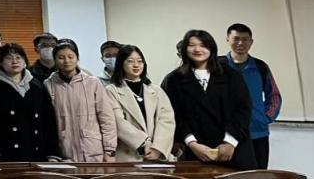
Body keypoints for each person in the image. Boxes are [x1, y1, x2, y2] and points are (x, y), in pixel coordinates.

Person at [162, 29, 255, 170]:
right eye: (192, 45)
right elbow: (174, 116)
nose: (197, 49)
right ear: (184, 48)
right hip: (195, 151)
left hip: (234, 149)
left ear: (212, 48)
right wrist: (192, 144)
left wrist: (230, 142)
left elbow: (243, 110)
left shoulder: (231, 75)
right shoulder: (173, 80)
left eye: (203, 45)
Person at [0, 43, 60, 162]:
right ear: (0, 62)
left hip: (36, 151)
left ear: (25, 61)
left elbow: (48, 121)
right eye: (9, 58)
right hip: (5, 152)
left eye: (18, 57)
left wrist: (52, 153)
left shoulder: (36, 85)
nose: (14, 61)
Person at [44, 39, 117, 162]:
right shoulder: (48, 84)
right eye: (61, 57)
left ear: (77, 58)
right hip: (64, 152)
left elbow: (106, 118)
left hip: (94, 151)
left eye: (70, 57)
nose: (66, 61)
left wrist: (109, 150)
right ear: (55, 60)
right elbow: (47, 123)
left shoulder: (92, 83)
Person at [221, 23, 281, 168]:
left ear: (251, 42)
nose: (240, 43)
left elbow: (274, 96)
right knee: (225, 174)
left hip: (257, 133)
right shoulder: (218, 66)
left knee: (258, 173)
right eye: (236, 39)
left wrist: (264, 118)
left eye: (245, 39)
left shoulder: (260, 67)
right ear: (228, 40)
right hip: (225, 135)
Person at [105, 45, 176, 162]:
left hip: (156, 154)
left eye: (140, 61)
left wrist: (158, 148)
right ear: (121, 64)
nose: (136, 65)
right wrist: (143, 143)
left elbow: (166, 120)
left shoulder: (155, 90)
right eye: (130, 61)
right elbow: (117, 121)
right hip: (129, 155)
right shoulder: (112, 90)